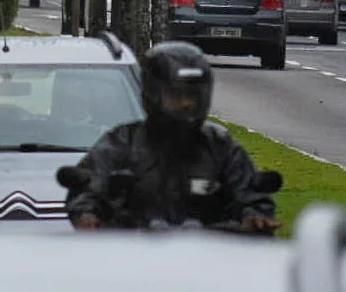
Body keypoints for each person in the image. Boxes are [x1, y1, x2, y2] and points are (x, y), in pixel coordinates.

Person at [64, 41, 278, 232]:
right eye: (176, 96)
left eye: (193, 97)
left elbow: (250, 195)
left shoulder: (220, 145)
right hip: (131, 262)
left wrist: (254, 217)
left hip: (209, 263)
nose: (186, 104)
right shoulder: (122, 142)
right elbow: (88, 189)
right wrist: (87, 215)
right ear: (152, 95)